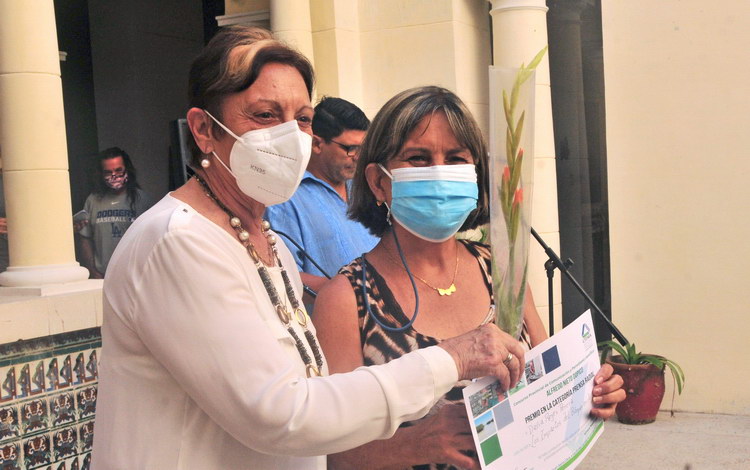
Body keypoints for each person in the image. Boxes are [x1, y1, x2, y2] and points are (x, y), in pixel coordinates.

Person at [90, 26, 532, 470]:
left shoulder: (269, 244)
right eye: (265, 115)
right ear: (205, 129)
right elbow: (280, 413)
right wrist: (449, 360)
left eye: (302, 118)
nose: (290, 136)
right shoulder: (177, 242)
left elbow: (318, 396)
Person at [312, 86, 626, 470]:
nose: (440, 173)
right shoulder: (347, 299)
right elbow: (330, 454)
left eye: (456, 158)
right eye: (418, 158)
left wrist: (586, 395)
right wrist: (416, 445)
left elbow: (545, 386)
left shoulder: (503, 272)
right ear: (379, 182)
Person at [264, 96, 378, 296]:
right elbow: (284, 276)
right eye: (351, 149)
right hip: (337, 319)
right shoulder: (285, 199)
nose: (359, 157)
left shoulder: (365, 185)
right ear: (316, 144)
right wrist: (356, 295)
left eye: (363, 148)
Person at [77, 147, 153, 278]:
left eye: (118, 170)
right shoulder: (92, 201)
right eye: (108, 172)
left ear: (127, 170)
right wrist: (93, 270)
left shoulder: (142, 200)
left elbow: (152, 239)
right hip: (103, 276)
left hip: (134, 277)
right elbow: (85, 238)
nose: (114, 176)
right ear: (101, 174)